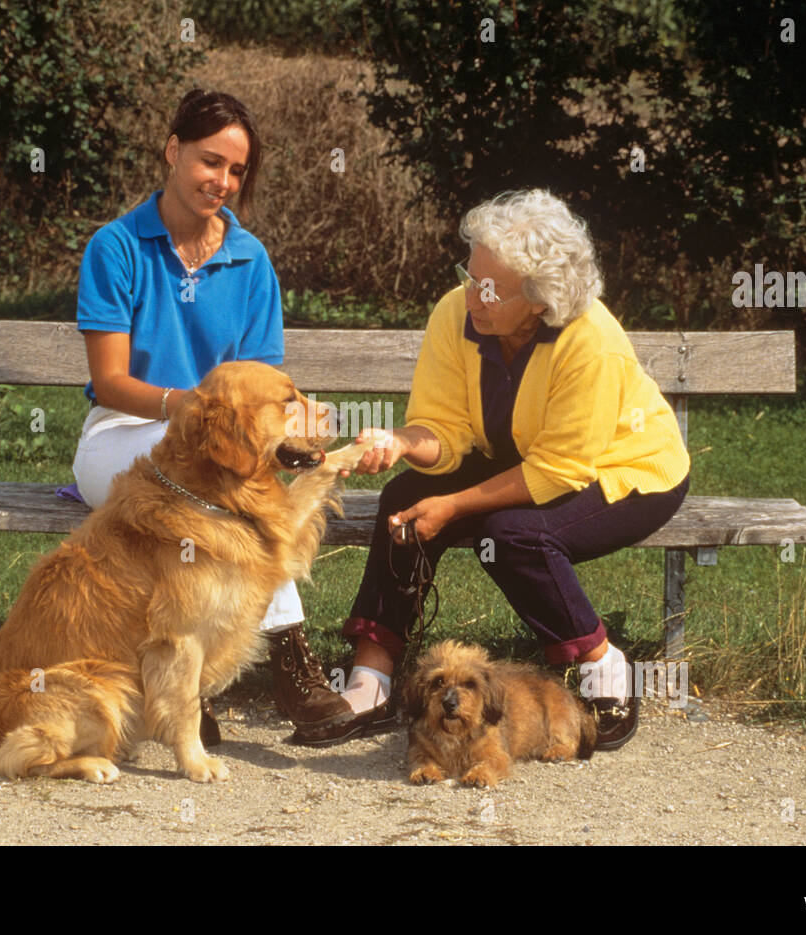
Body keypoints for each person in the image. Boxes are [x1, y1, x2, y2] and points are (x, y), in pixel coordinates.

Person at [292, 189, 692, 749]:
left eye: (488, 287)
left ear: (539, 298)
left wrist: (455, 506)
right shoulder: (457, 311)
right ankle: (373, 679)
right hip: (522, 458)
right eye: (468, 273)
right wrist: (403, 440)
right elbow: (446, 429)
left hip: (626, 472)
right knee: (404, 497)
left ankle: (602, 663)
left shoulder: (592, 342)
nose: (470, 294)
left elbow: (558, 470)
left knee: (512, 537)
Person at [70, 89, 351, 739]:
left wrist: (290, 439)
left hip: (225, 448)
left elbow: (263, 397)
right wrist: (185, 406)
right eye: (208, 161)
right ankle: (236, 677)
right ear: (172, 151)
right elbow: (109, 382)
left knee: (228, 490)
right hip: (125, 433)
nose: (221, 181)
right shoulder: (115, 248)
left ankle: (263, 667)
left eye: (235, 170)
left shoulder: (250, 261)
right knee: (219, 495)